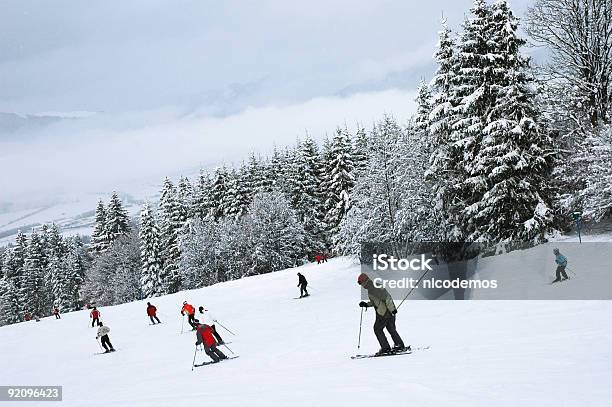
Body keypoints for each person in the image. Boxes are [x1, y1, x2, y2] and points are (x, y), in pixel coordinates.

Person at [357, 273, 406, 356]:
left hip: (384, 313)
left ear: (364, 281)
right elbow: (376, 302)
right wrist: (366, 304)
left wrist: (392, 310)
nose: (360, 285)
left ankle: (386, 348)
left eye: (360, 282)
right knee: (391, 329)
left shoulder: (373, 288)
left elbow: (387, 298)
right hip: (388, 311)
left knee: (377, 329)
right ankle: (399, 345)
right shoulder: (372, 287)